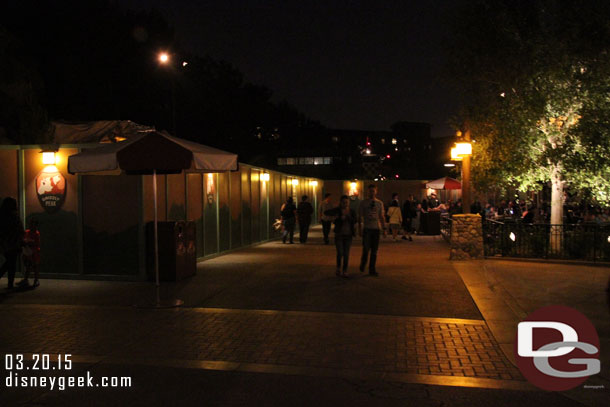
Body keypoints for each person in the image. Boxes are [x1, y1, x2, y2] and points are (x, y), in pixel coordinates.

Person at [324, 195, 357, 277]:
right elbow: (326, 212)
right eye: (343, 202)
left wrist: (348, 217)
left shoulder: (351, 211)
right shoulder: (338, 210)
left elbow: (355, 220)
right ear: (340, 203)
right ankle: (338, 268)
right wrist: (338, 217)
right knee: (340, 252)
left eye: (346, 202)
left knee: (346, 254)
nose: (345, 204)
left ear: (349, 202)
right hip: (339, 234)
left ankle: (345, 270)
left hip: (348, 235)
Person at [358, 184, 386, 276]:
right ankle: (363, 263)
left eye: (373, 191)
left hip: (376, 229)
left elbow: (381, 216)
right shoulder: (363, 203)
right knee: (366, 249)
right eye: (370, 191)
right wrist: (360, 227)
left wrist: (384, 228)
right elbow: (360, 216)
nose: (372, 193)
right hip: (367, 228)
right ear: (368, 191)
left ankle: (372, 269)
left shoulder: (379, 203)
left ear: (376, 191)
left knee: (374, 250)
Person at [0, 197, 24, 289]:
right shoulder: (15, 216)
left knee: (10, 263)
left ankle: (10, 284)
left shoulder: (2, 216)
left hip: (5, 244)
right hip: (14, 244)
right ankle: (10, 283)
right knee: (11, 263)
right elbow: (20, 230)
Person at [17, 218, 41, 288]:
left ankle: (36, 280)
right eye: (31, 224)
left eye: (33, 225)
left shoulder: (36, 233)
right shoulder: (27, 232)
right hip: (27, 252)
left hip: (34, 252)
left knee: (35, 266)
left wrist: (30, 243)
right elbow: (23, 239)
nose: (32, 226)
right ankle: (26, 280)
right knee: (28, 266)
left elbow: (37, 243)